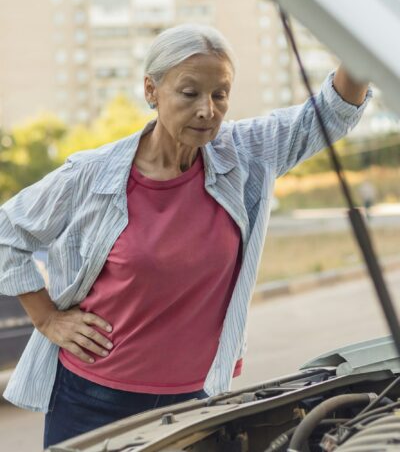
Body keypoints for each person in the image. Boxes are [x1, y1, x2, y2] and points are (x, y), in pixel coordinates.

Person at [0, 24, 371, 448]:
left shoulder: (243, 154)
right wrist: (47, 318)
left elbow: (329, 113)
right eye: (190, 93)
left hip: (196, 402)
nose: (207, 110)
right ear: (151, 91)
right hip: (93, 400)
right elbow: (7, 233)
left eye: (220, 94)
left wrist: (360, 41)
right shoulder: (92, 174)